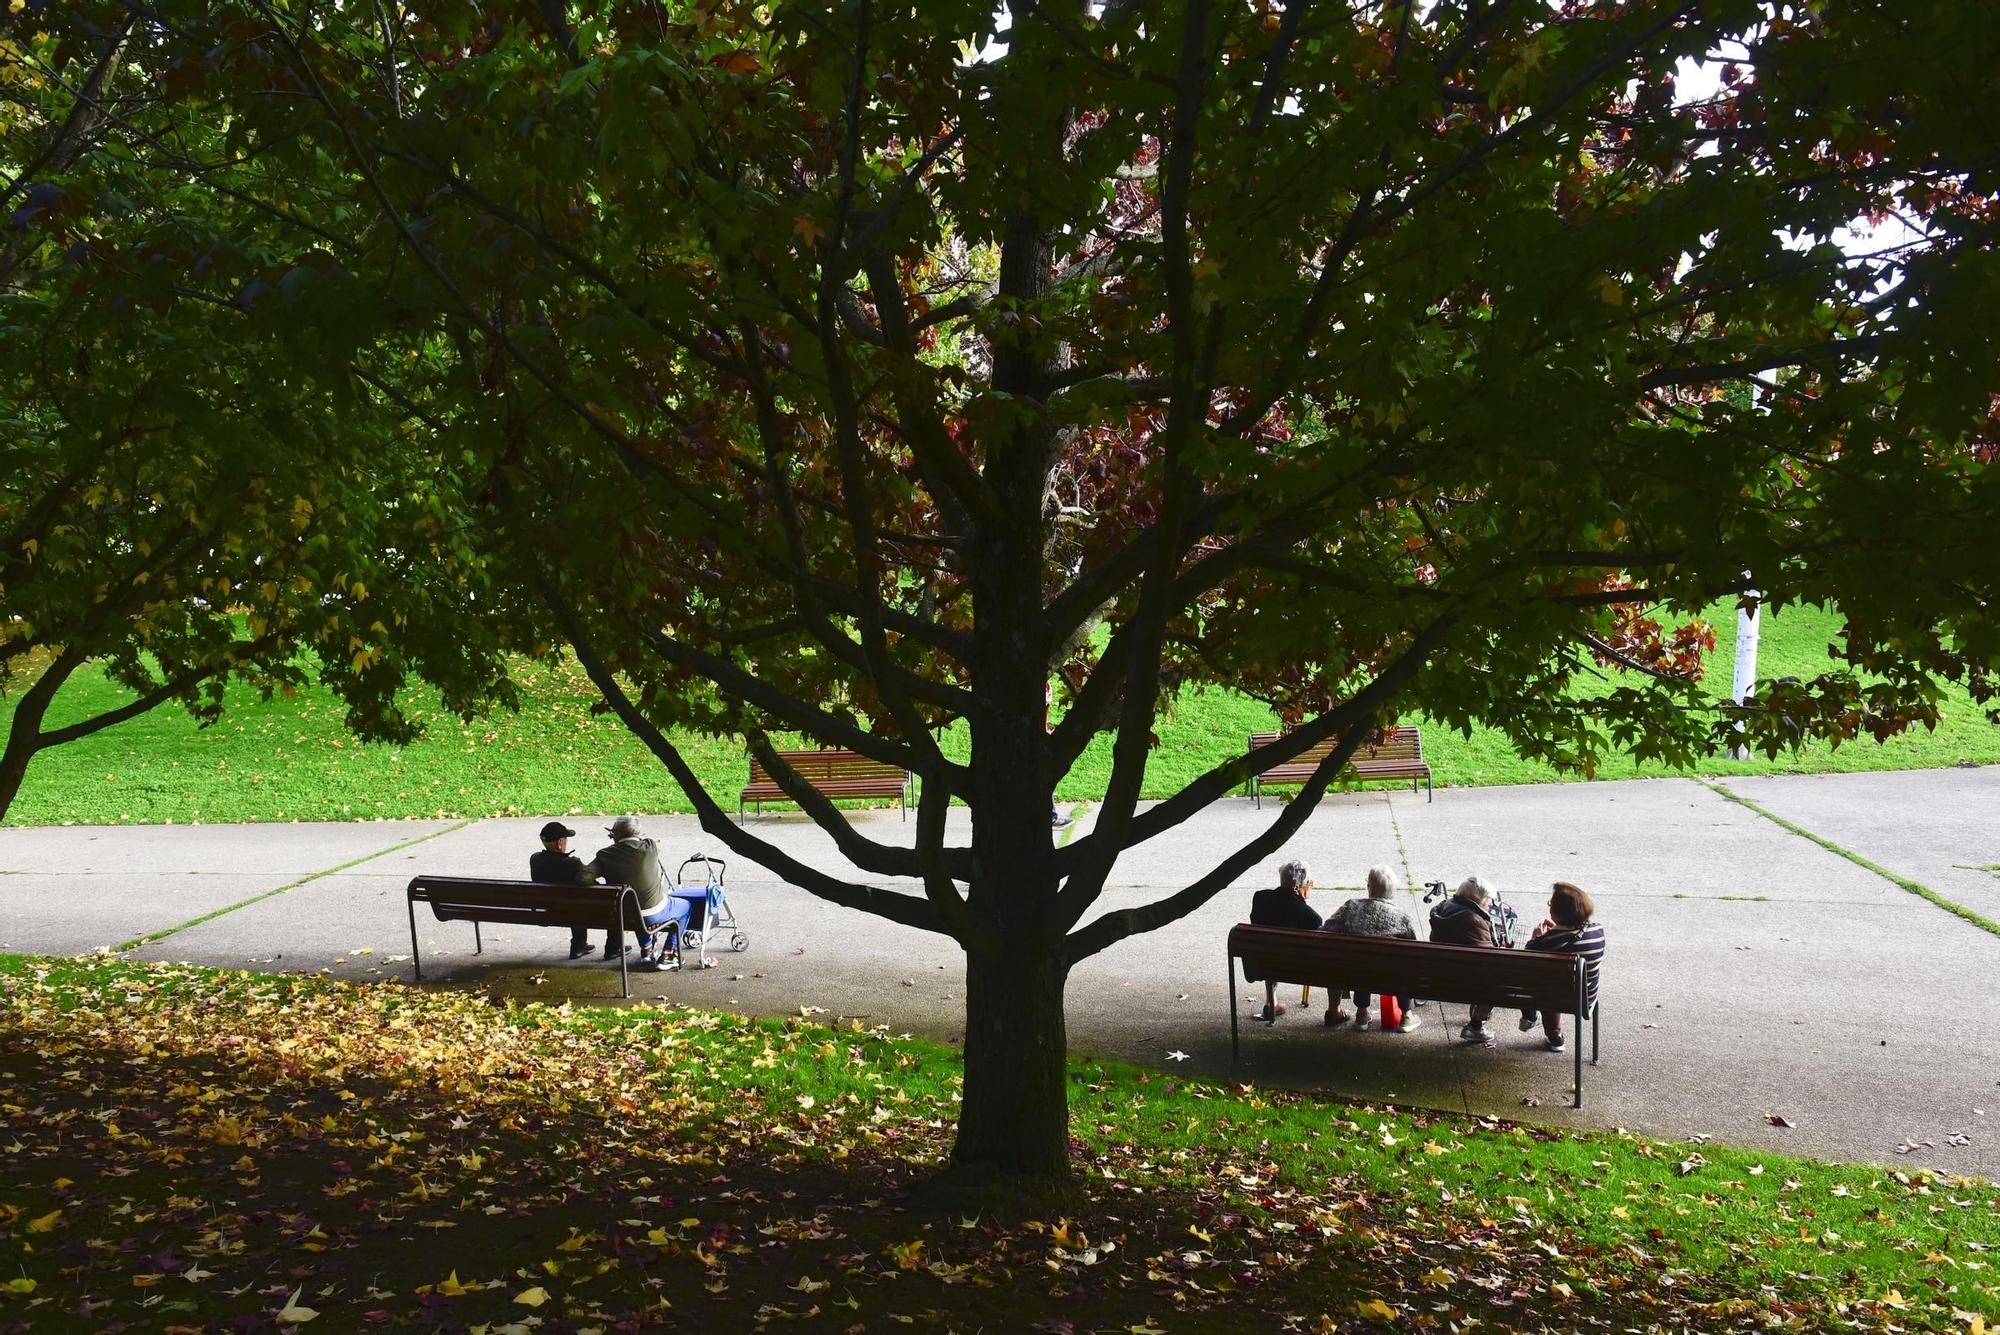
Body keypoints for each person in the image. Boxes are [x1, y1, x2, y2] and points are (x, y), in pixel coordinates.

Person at [582, 816, 690, 970]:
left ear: (615, 835)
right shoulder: (650, 847)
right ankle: (668, 954)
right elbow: (649, 844)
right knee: (686, 906)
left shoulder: (604, 854)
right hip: (653, 913)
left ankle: (646, 950)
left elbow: (583, 877)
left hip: (623, 915)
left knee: (635, 907)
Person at [1322, 865, 1420, 1032]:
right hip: (1392, 977)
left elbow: (1327, 929)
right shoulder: (1403, 918)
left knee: (1362, 964)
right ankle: (1406, 1015)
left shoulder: (1351, 907)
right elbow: (1413, 953)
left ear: (1370, 888)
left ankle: (1361, 1014)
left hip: (1356, 973)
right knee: (1404, 965)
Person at [1517, 881, 1606, 1053]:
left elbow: (1527, 961)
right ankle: (1554, 1038)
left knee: (1547, 987)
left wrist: (1536, 938)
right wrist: (1556, 932)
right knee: (1556, 984)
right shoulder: (1598, 930)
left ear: (1556, 913)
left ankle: (1553, 1035)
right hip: (1585, 997)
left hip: (1554, 998)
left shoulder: (1547, 942)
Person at [529, 820, 621, 961]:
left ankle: (579, 946)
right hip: (574, 910)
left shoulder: (535, 859)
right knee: (608, 905)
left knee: (574, 904)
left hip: (548, 911)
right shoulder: (572, 863)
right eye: (565, 839)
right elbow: (593, 885)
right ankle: (614, 948)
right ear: (560, 843)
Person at [1246, 859, 1322, 1022]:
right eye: (1308, 883)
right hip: (1295, 969)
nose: (1310, 887)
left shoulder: (1260, 898)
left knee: (1271, 951)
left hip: (1261, 963)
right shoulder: (1311, 918)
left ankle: (1271, 1001)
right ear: (1296, 887)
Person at [1429, 876, 1499, 1042]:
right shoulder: (1474, 921)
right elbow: (1492, 960)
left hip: (1437, 977)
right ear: (1480, 899)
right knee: (1496, 976)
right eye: (1489, 900)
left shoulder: (1443, 909)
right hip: (1463, 981)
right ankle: (1475, 1026)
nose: (1490, 904)